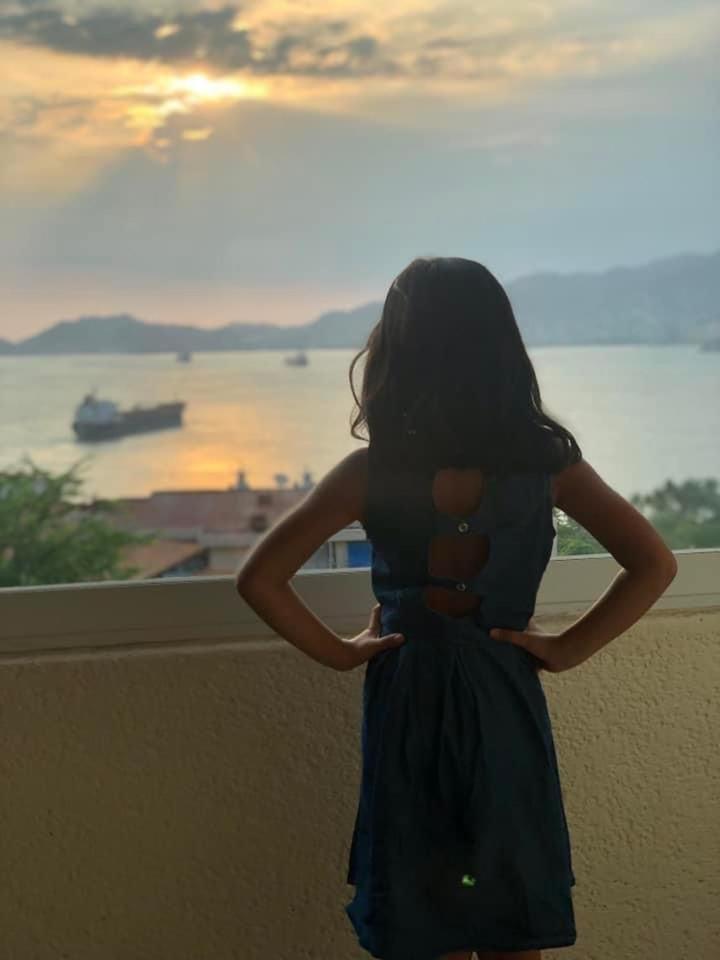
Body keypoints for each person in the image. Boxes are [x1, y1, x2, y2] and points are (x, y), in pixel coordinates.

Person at [235, 256, 678, 960]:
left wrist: (343, 654)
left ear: (396, 354)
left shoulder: (370, 473)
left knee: (424, 913)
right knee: (509, 908)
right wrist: (566, 649)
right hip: (503, 697)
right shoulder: (548, 467)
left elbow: (259, 579)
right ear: (503, 350)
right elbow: (654, 562)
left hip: (408, 701)